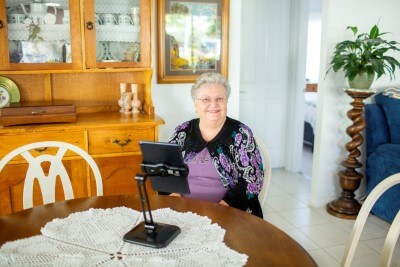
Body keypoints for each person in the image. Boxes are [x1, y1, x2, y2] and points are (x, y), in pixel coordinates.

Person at [169, 72, 265, 218]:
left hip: (228, 210)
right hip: (183, 209)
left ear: (226, 102)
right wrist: (173, 195)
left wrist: (222, 208)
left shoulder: (241, 134)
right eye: (206, 99)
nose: (213, 104)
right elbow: (167, 168)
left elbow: (253, 180)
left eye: (219, 98)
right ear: (196, 104)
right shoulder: (183, 130)